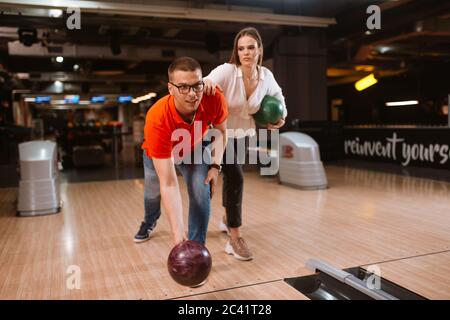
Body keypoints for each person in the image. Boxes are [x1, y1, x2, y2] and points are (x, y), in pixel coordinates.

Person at [203, 27, 287, 261]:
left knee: (232, 178)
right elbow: (204, 82)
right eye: (241, 48)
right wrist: (207, 85)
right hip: (219, 134)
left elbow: (280, 99)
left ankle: (226, 219)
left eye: (251, 47)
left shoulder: (266, 76)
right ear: (236, 52)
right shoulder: (228, 71)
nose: (246, 52)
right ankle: (235, 238)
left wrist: (281, 118)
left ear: (259, 50)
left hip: (243, 134)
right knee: (237, 176)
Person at [134, 56, 228, 246]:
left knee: (201, 192)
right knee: (152, 193)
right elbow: (169, 184)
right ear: (170, 89)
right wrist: (177, 234)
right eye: (183, 87)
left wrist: (215, 167)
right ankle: (149, 221)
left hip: (193, 148)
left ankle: (195, 246)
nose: (192, 94)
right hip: (156, 153)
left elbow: (221, 132)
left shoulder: (213, 97)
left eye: (197, 85)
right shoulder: (157, 117)